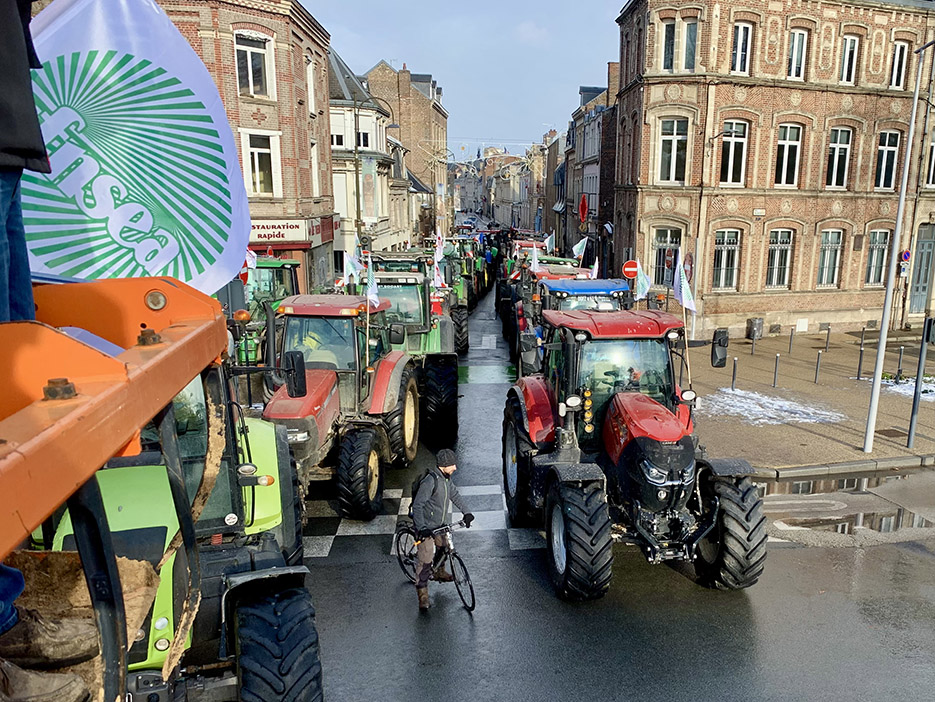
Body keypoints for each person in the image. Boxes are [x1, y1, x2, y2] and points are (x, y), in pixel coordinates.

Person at [410, 449, 474, 611]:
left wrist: (466, 512)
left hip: (441, 525)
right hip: (426, 527)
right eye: (452, 465)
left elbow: (456, 496)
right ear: (443, 466)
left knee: (445, 547)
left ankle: (439, 571)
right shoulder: (430, 482)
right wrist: (422, 528)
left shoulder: (447, 480)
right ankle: (423, 595)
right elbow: (418, 505)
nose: (455, 468)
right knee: (425, 560)